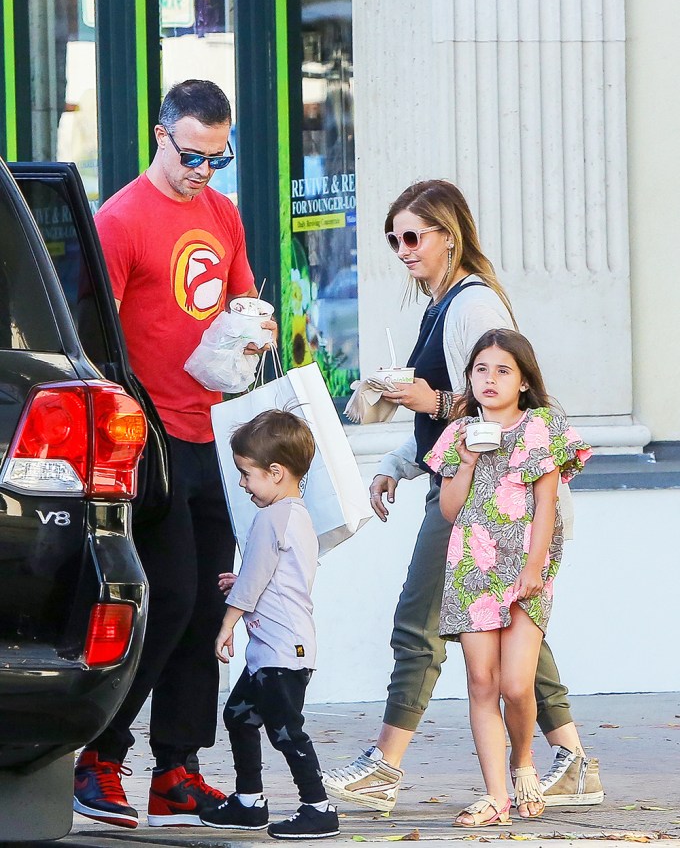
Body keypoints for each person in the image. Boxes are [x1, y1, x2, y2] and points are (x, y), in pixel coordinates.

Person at [322, 180, 604, 811]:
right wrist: (398, 459)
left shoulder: (473, 307)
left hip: (489, 500)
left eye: (413, 237)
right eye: (393, 240)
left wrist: (431, 402)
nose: (402, 250)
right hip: (467, 490)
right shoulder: (441, 303)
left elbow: (500, 407)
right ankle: (573, 761)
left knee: (418, 625)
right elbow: (444, 418)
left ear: (449, 235)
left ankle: (386, 765)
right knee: (511, 635)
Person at [73, 80, 276, 829]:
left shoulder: (222, 213)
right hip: (149, 436)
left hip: (214, 432)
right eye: (192, 154)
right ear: (160, 135)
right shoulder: (120, 220)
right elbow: (94, 343)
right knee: (170, 597)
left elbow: (243, 299)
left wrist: (254, 327)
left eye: (218, 158)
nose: (203, 170)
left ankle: (178, 771)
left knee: (209, 607)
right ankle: (99, 755)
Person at [424, 329, 591, 825]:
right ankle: (497, 796)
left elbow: (546, 504)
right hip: (472, 569)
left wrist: (535, 567)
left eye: (503, 370)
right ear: (470, 379)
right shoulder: (456, 434)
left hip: (525, 568)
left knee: (517, 685)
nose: (490, 379)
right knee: (481, 681)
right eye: (481, 369)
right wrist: (469, 460)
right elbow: (451, 511)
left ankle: (524, 762)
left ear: (522, 381)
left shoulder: (542, 427)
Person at [199, 410, 340, 840]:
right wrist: (242, 580)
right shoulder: (295, 515)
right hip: (275, 650)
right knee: (239, 715)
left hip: (282, 651)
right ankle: (248, 801)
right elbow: (271, 574)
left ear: (275, 472)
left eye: (247, 474)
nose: (243, 484)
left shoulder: (272, 517)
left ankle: (318, 807)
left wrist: (226, 624)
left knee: (285, 730)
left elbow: (257, 577)